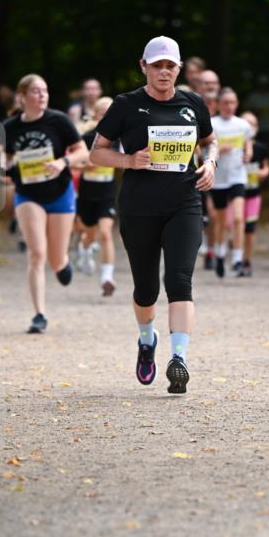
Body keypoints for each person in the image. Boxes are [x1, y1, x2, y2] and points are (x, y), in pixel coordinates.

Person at [90, 35, 217, 394]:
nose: (164, 72)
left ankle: (179, 359)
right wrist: (128, 160)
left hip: (184, 202)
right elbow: (97, 152)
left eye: (170, 66)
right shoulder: (126, 105)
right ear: (143, 66)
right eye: (157, 65)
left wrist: (211, 163)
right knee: (146, 289)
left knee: (179, 281)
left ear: (179, 69)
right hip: (139, 205)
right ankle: (147, 340)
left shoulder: (192, 102)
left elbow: (209, 140)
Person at [3, 73, 88, 333]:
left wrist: (62, 162)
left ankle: (62, 264)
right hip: (28, 194)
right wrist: (4, 168)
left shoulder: (58, 121)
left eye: (45, 91)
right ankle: (39, 314)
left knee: (55, 258)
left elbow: (82, 151)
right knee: (36, 253)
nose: (42, 96)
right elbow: (5, 160)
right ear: (22, 97)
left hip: (60, 192)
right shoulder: (10, 127)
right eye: (36, 91)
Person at [77, 96, 118, 296]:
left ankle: (107, 277)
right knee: (90, 235)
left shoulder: (118, 137)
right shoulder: (86, 138)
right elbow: (74, 164)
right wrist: (87, 164)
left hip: (107, 192)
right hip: (87, 192)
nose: (107, 116)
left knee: (105, 233)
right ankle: (84, 253)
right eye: (103, 113)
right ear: (95, 115)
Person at [211, 87, 253, 278]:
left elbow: (248, 142)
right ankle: (220, 254)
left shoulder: (243, 125)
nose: (229, 106)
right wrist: (219, 149)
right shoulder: (212, 124)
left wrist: (248, 153)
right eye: (225, 103)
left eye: (232, 103)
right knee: (220, 222)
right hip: (219, 179)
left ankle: (236, 258)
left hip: (237, 177)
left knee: (237, 218)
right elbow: (201, 148)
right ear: (218, 104)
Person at [237, 110, 269, 276]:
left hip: (253, 194)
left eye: (253, 124)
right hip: (234, 195)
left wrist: (264, 173)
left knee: (250, 228)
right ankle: (235, 252)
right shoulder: (234, 146)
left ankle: (246, 260)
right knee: (235, 224)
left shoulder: (261, 148)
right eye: (246, 123)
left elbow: (266, 167)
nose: (249, 127)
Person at [196, 68, 221, 270]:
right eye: (206, 83)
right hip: (198, 168)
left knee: (217, 215)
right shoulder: (190, 105)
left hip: (225, 169)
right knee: (210, 212)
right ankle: (208, 248)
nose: (210, 87)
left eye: (213, 83)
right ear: (198, 85)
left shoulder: (225, 107)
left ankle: (213, 248)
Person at [244, 74, 269, 148]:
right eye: (262, 84)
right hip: (255, 127)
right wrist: (256, 112)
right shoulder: (253, 96)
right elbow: (247, 111)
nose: (263, 86)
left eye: (265, 84)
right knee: (255, 146)